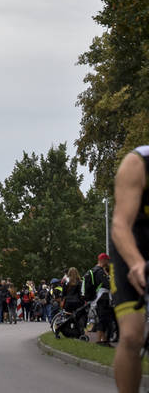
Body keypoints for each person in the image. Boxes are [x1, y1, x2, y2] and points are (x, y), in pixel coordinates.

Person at [111, 145, 149, 392]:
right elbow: (120, 224)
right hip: (132, 247)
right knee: (132, 335)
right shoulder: (138, 163)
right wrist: (136, 262)